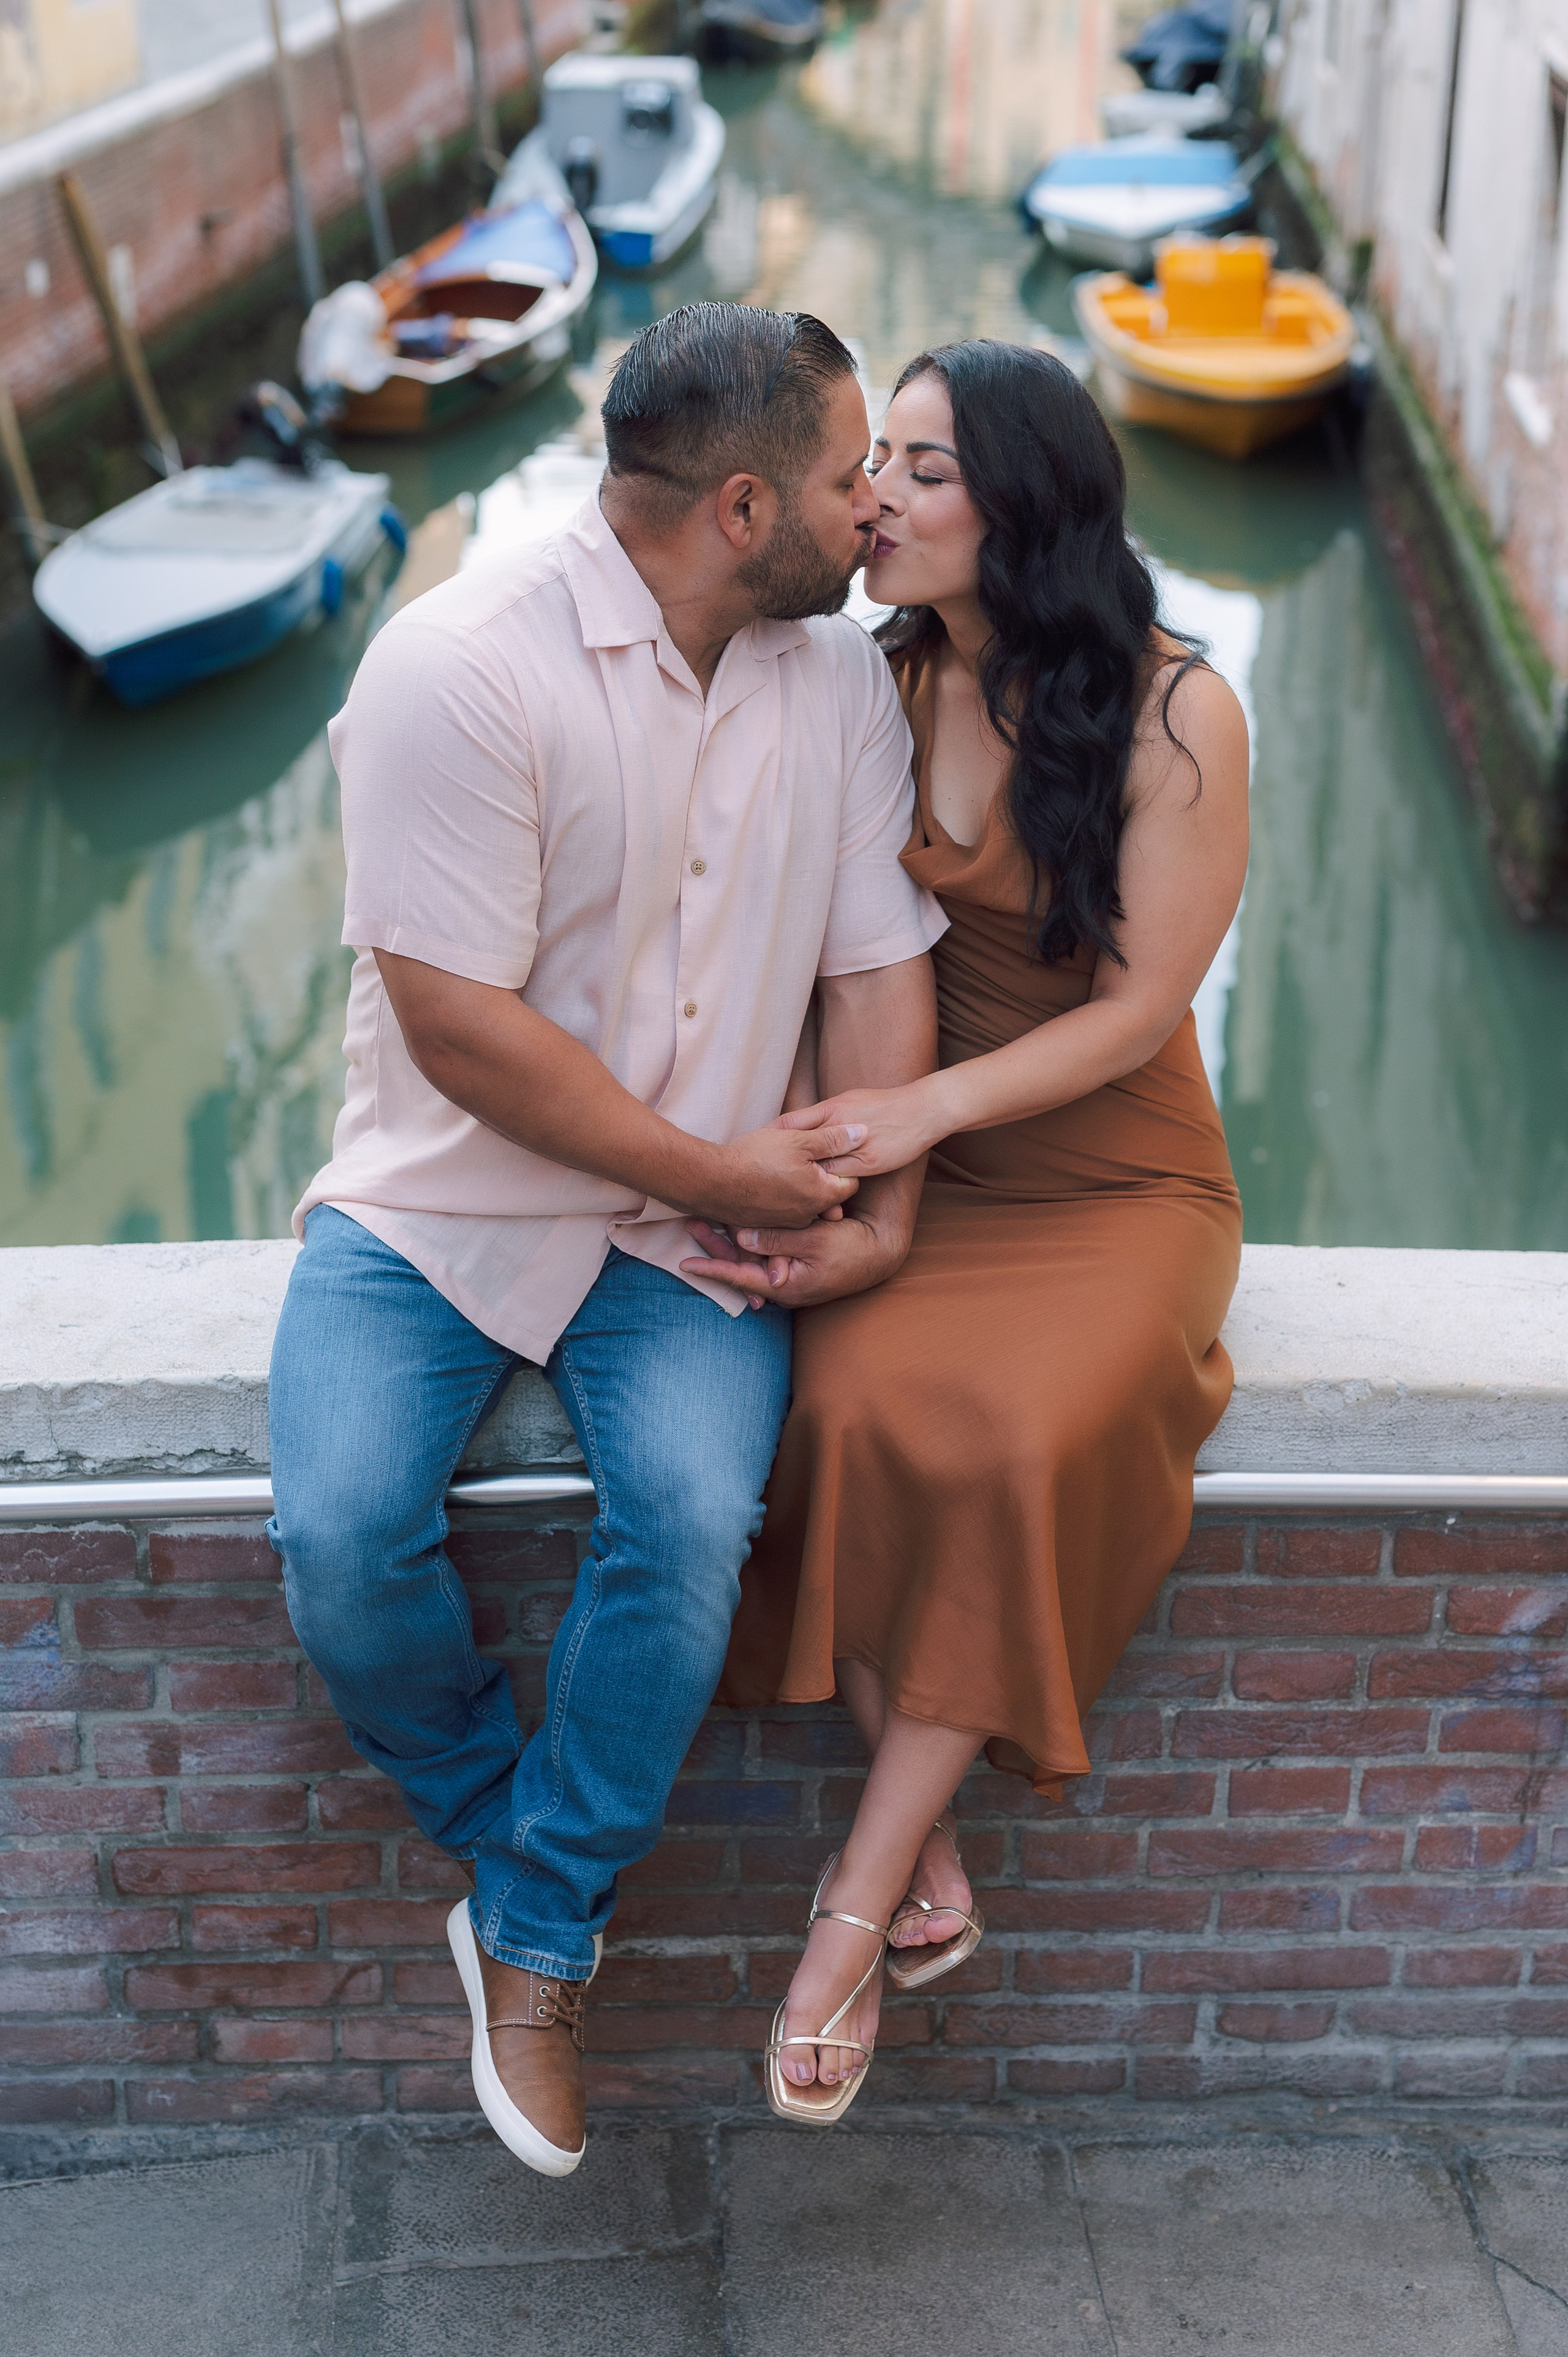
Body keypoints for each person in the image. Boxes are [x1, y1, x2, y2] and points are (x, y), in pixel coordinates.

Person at [266, 303, 948, 2178]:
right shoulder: (460, 666)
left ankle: (539, 1935)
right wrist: (731, 1171)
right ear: (743, 509)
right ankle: (521, 1868)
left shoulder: (836, 682)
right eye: (847, 475)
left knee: (696, 1525)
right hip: (438, 1202)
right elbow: (459, 1029)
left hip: (693, 1238)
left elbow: (874, 966)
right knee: (340, 1537)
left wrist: (881, 1219)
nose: (875, 507)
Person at [685, 340, 1248, 2124]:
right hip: (923, 1161)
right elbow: (803, 950)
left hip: (1118, 1182)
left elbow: (1141, 1012)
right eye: (880, 466)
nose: (878, 500)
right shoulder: (871, 677)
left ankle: (849, 1914)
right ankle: (925, 1853)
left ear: (1026, 504)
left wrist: (923, 1112)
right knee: (838, 1416)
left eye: (925, 470)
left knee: (1006, 1441)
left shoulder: (1178, 714)